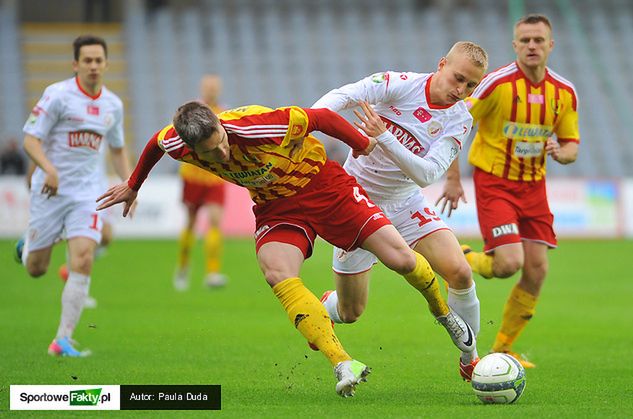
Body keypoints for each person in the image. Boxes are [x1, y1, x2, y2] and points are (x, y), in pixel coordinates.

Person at [97, 101, 476, 397]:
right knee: (276, 271)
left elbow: (323, 117)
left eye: (221, 144)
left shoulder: (264, 124)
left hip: (326, 190)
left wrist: (362, 144)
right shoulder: (177, 141)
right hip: (275, 206)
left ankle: (443, 314)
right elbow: (153, 144)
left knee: (402, 259)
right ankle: (342, 363)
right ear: (192, 147)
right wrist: (134, 184)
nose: (222, 156)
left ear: (220, 125)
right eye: (211, 155)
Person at [311, 41, 488, 381]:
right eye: (458, 78)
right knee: (351, 312)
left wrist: (384, 136)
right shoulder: (400, 84)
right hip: (357, 203)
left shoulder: (460, 120)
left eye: (470, 86)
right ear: (441, 64)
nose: (461, 90)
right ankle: (327, 307)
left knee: (461, 273)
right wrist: (308, 123)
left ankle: (471, 357)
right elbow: (345, 95)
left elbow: (426, 174)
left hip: (406, 201)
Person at [437, 14, 579, 368]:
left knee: (537, 271)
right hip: (495, 183)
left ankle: (502, 347)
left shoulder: (564, 92)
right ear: (515, 45)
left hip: (534, 187)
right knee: (508, 264)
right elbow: (455, 121)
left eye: (539, 40)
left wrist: (561, 154)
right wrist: (453, 179)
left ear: (550, 45)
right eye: (525, 40)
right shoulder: (495, 84)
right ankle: (463, 258)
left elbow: (572, 144)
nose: (532, 46)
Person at [15, 35, 133, 357]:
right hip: (50, 190)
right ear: (75, 64)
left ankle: (62, 340)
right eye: (87, 60)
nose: (93, 66)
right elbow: (30, 140)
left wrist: (130, 185)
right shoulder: (58, 95)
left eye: (98, 60)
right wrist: (48, 170)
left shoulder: (113, 105)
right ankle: (29, 244)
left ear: (106, 64)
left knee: (82, 259)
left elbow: (119, 149)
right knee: (36, 269)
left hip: (87, 194)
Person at [174, 74, 229, 291]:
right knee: (190, 222)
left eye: (215, 87)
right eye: (208, 87)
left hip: (215, 178)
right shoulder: (190, 112)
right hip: (193, 176)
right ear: (202, 88)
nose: (212, 90)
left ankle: (213, 272)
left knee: (215, 221)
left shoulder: (223, 113)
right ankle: (183, 267)